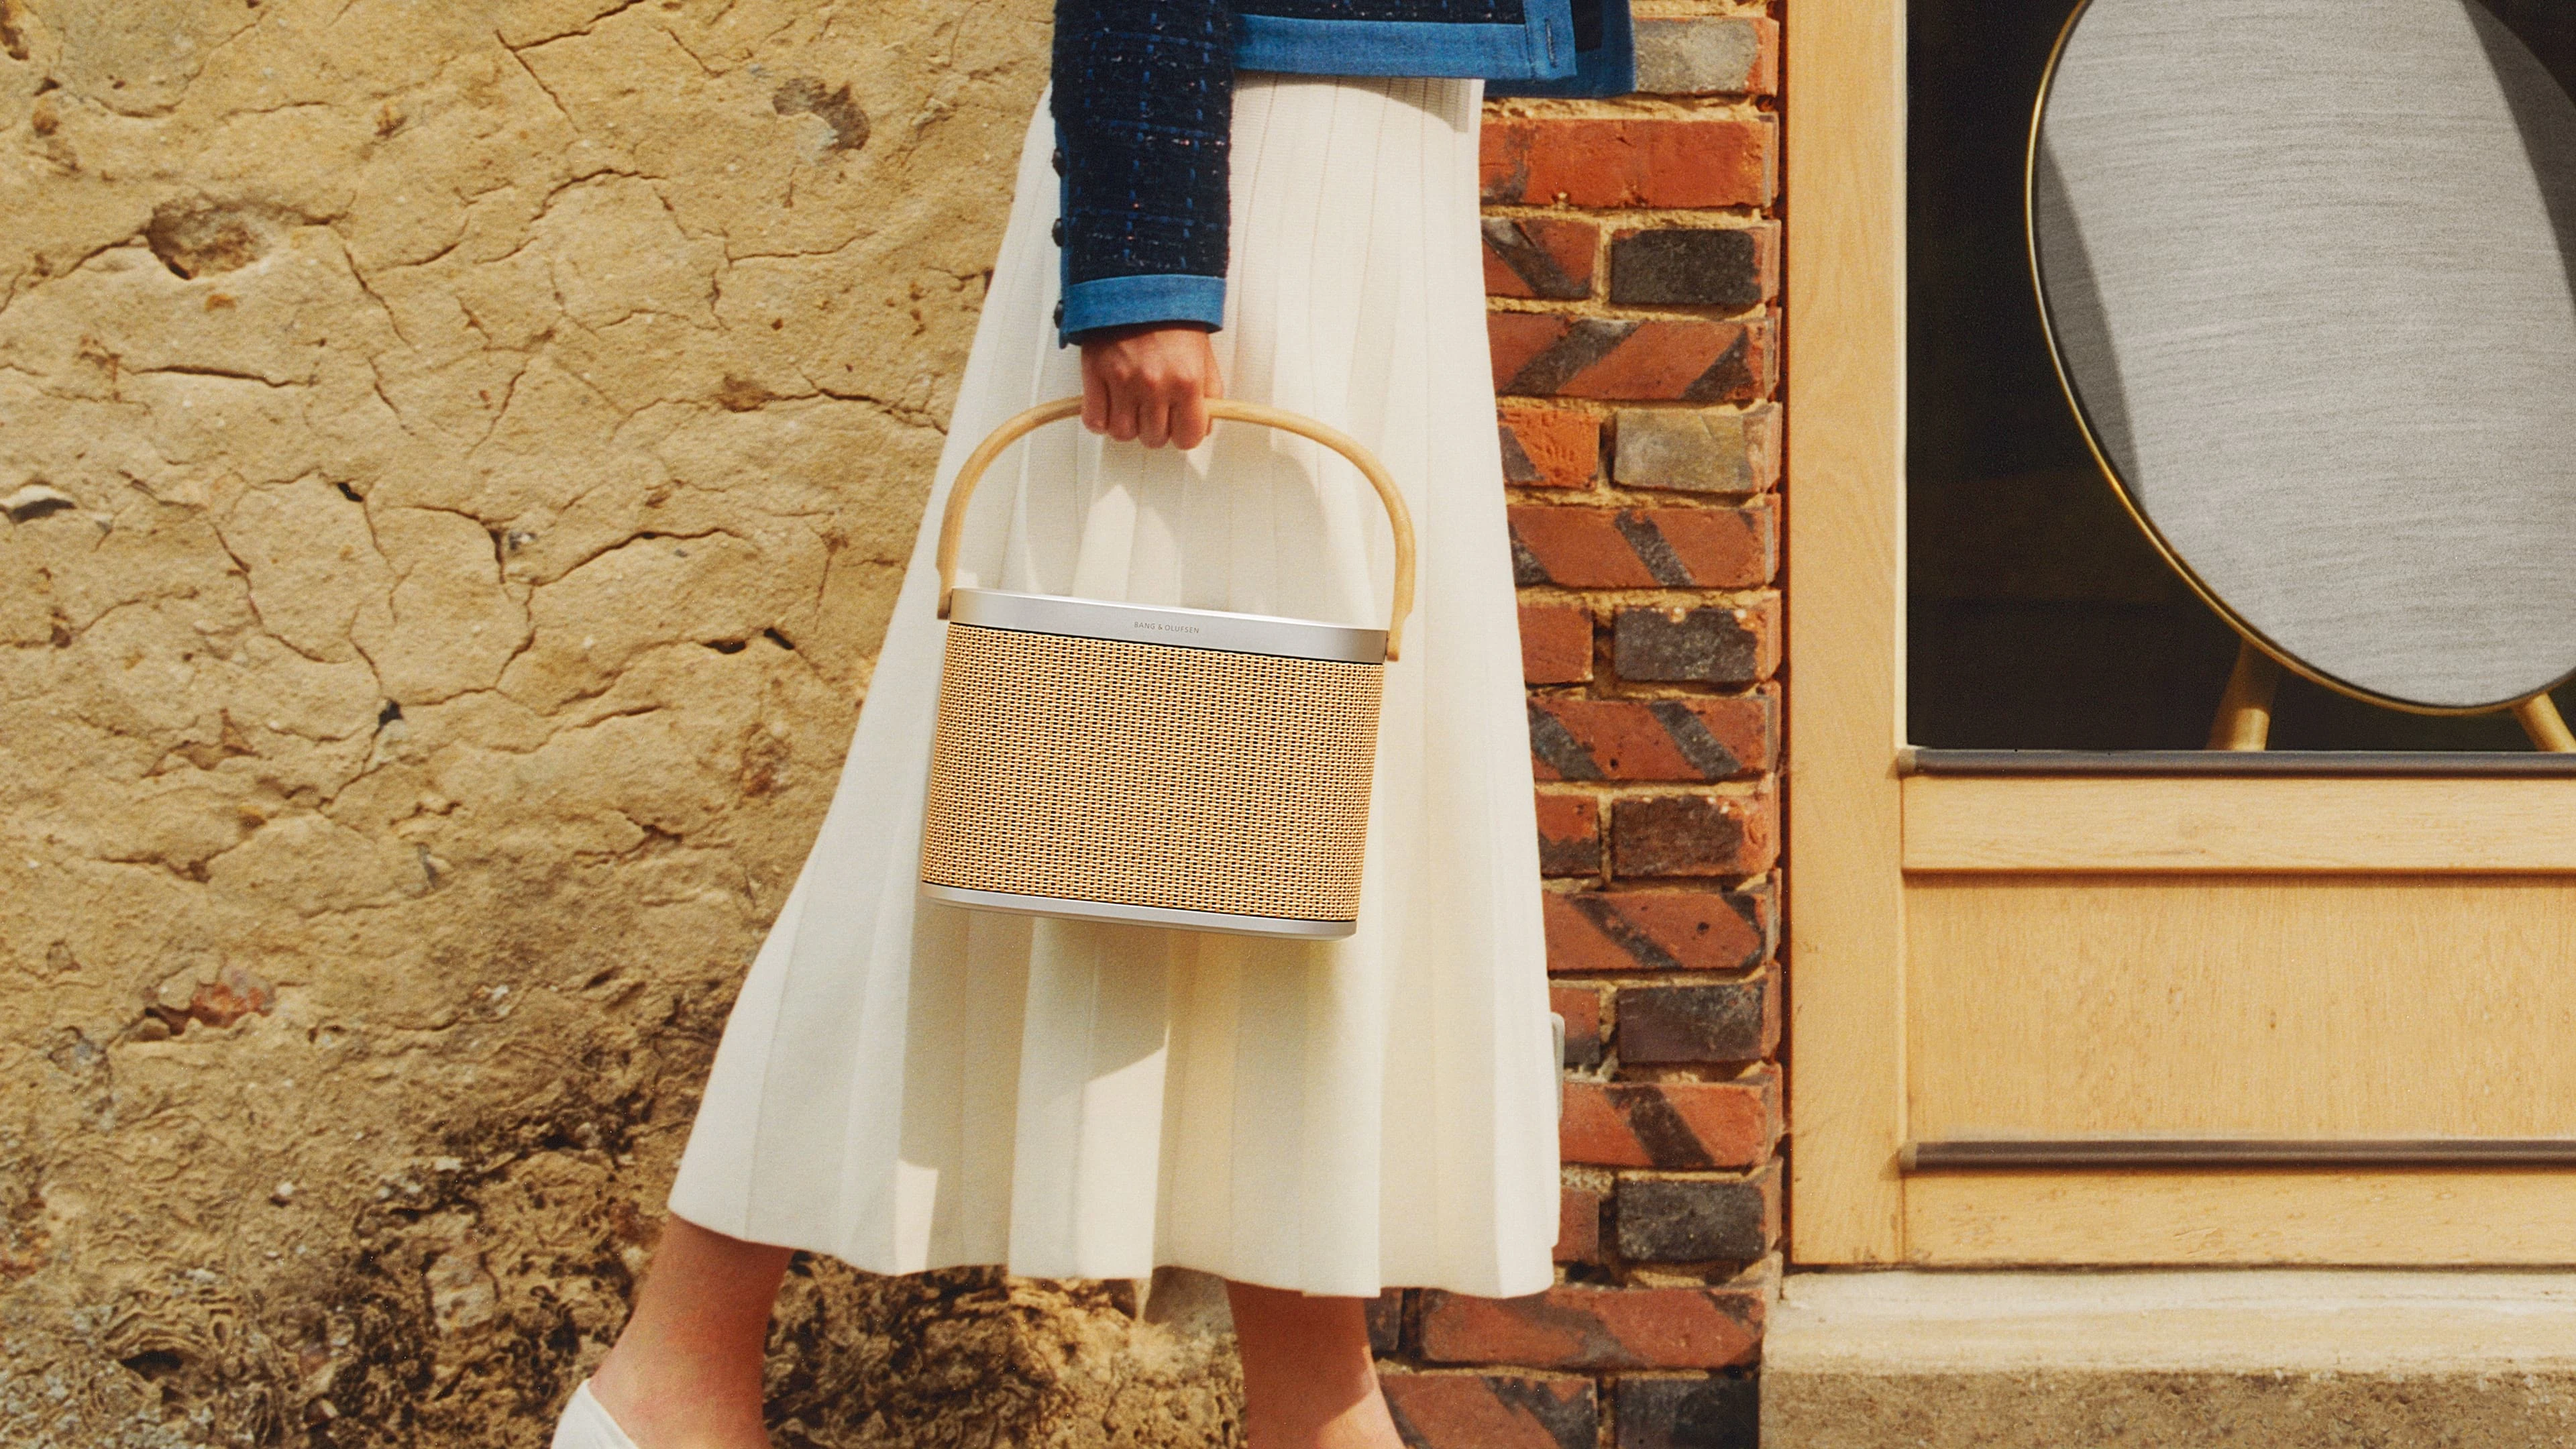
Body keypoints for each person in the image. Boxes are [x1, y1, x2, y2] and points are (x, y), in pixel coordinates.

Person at [549, 1, 1633, 1445]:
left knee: (1283, 820)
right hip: (1246, 174)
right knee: (1024, 788)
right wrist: (1144, 261)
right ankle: (676, 1376)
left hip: (1354, 147)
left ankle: (1315, 1409)